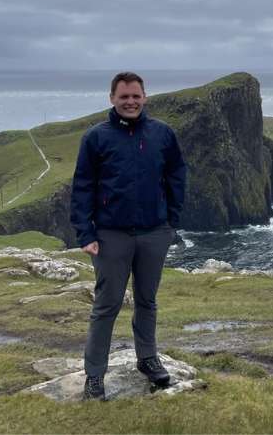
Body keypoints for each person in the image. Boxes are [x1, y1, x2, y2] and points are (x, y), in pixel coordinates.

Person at [70, 71, 187, 401]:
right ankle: (94, 376)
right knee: (106, 306)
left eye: (136, 96)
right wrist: (85, 233)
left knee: (147, 301)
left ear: (145, 97)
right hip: (111, 235)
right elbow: (82, 187)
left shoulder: (162, 134)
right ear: (112, 99)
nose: (131, 101)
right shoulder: (96, 138)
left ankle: (147, 359)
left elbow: (177, 174)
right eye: (124, 96)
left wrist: (170, 222)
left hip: (154, 232)